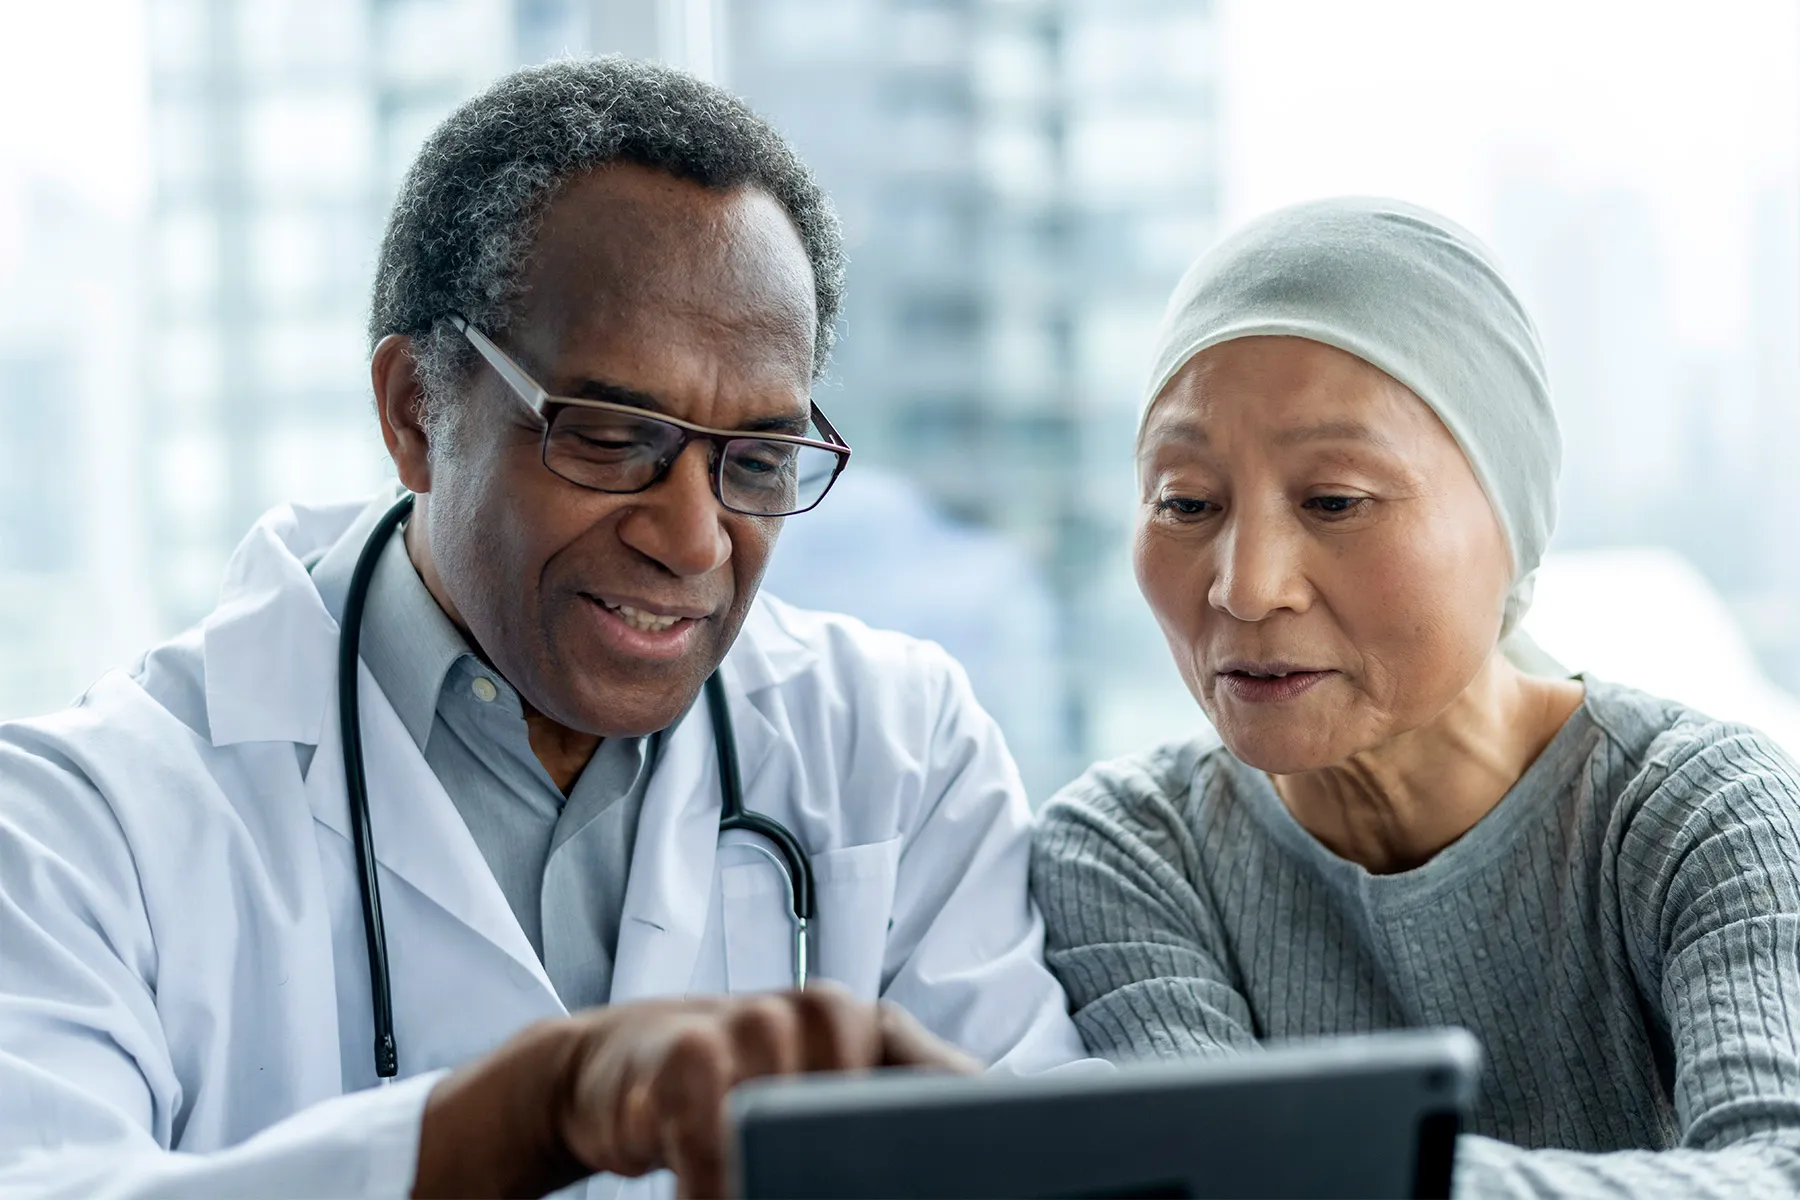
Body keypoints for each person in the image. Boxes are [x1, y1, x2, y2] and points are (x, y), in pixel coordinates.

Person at [0, 58, 1085, 1200]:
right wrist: (531, 1111)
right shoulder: (79, 824)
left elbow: (1059, 1175)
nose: (697, 541)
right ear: (415, 410)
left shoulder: (897, 751)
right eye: (613, 437)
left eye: (757, 462)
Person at [1031, 197, 1800, 1194]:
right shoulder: (1129, 848)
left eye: (1335, 501)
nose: (1246, 584)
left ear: (1512, 524)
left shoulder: (1697, 813)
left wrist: (1346, 1166)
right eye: (1185, 503)